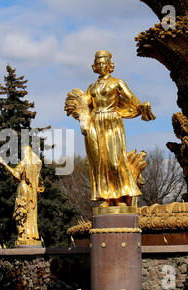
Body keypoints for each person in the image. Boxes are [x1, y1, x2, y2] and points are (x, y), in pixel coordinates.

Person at [65, 50, 155, 207]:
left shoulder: (117, 82)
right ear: (94, 66)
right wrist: (77, 107)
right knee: (100, 162)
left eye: (103, 63)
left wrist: (141, 106)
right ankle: (106, 198)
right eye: (98, 63)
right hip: (95, 122)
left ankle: (121, 196)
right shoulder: (91, 87)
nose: (101, 66)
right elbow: (85, 105)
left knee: (114, 161)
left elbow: (132, 99)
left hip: (112, 121)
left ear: (109, 65)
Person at [0, 146, 44, 247]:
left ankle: (23, 235)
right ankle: (32, 235)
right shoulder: (36, 166)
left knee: (21, 210)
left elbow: (16, 174)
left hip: (23, 188)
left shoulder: (24, 163)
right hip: (32, 192)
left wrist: (4, 164)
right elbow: (40, 182)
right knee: (31, 212)